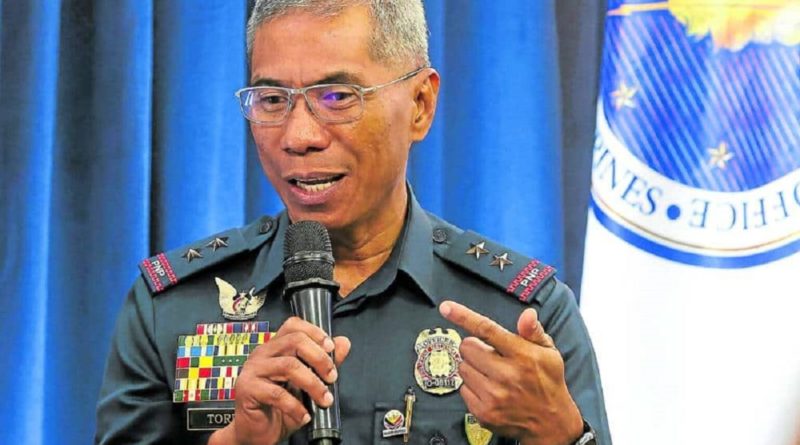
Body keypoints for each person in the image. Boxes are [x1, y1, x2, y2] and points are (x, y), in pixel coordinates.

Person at [95, 1, 610, 444]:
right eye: (272, 100)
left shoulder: (520, 318)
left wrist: (558, 431)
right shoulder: (173, 309)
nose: (298, 136)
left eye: (337, 97)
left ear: (420, 104)